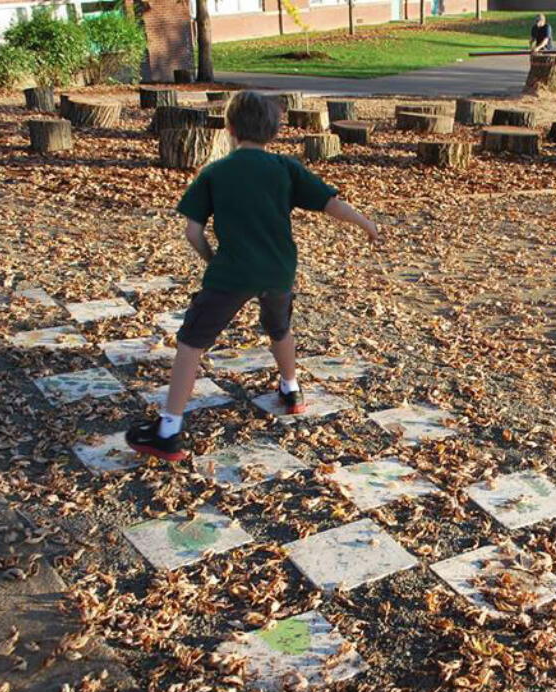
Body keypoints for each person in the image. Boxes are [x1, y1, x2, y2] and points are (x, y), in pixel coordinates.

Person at [125, 91, 379, 462]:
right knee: (279, 328)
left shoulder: (215, 172)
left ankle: (168, 429)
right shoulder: (285, 168)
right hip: (278, 270)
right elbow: (331, 204)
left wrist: (212, 259)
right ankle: (291, 390)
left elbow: (192, 233)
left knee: (191, 342)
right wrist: (364, 222)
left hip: (231, 272)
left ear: (229, 128)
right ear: (273, 132)